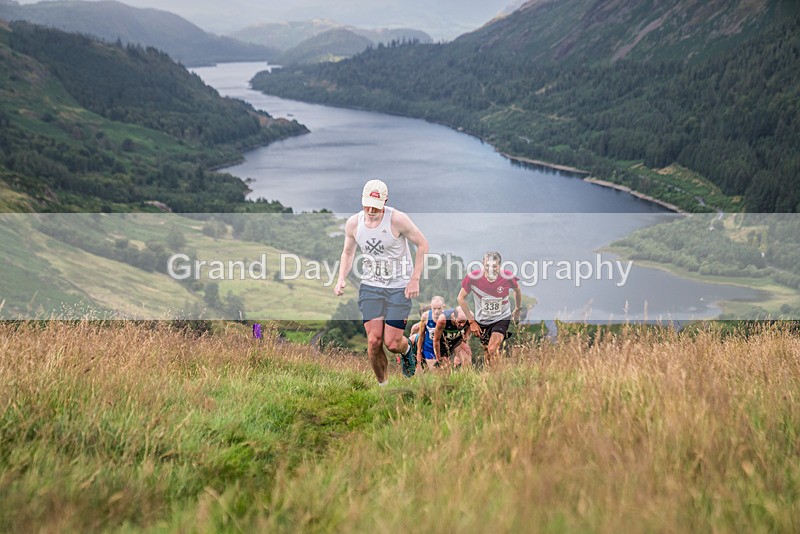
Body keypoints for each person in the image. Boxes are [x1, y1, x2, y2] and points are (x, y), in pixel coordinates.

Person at [333, 179, 429, 385]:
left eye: (376, 206)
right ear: (361, 200)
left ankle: (407, 349)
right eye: (367, 204)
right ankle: (383, 386)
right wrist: (341, 277)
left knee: (392, 343)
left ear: (385, 201)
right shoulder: (353, 223)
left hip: (398, 287)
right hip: (371, 286)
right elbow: (348, 252)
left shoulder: (397, 220)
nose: (370, 209)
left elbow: (422, 244)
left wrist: (414, 279)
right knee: (374, 341)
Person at [457, 251, 522, 367]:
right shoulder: (473, 278)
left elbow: (517, 290)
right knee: (487, 351)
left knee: (492, 349)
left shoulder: (507, 276)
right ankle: (492, 374)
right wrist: (472, 321)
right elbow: (460, 298)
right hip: (483, 320)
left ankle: (498, 377)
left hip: (502, 317)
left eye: (494, 266)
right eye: (487, 266)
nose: (490, 269)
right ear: (483, 264)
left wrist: (518, 308)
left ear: (499, 266)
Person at [416, 296, 446, 370]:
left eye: (439, 308)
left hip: (443, 348)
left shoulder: (447, 317)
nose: (436, 311)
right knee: (435, 372)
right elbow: (421, 334)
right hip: (429, 348)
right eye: (434, 308)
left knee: (445, 374)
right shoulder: (425, 316)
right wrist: (419, 352)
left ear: (443, 307)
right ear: (431, 306)